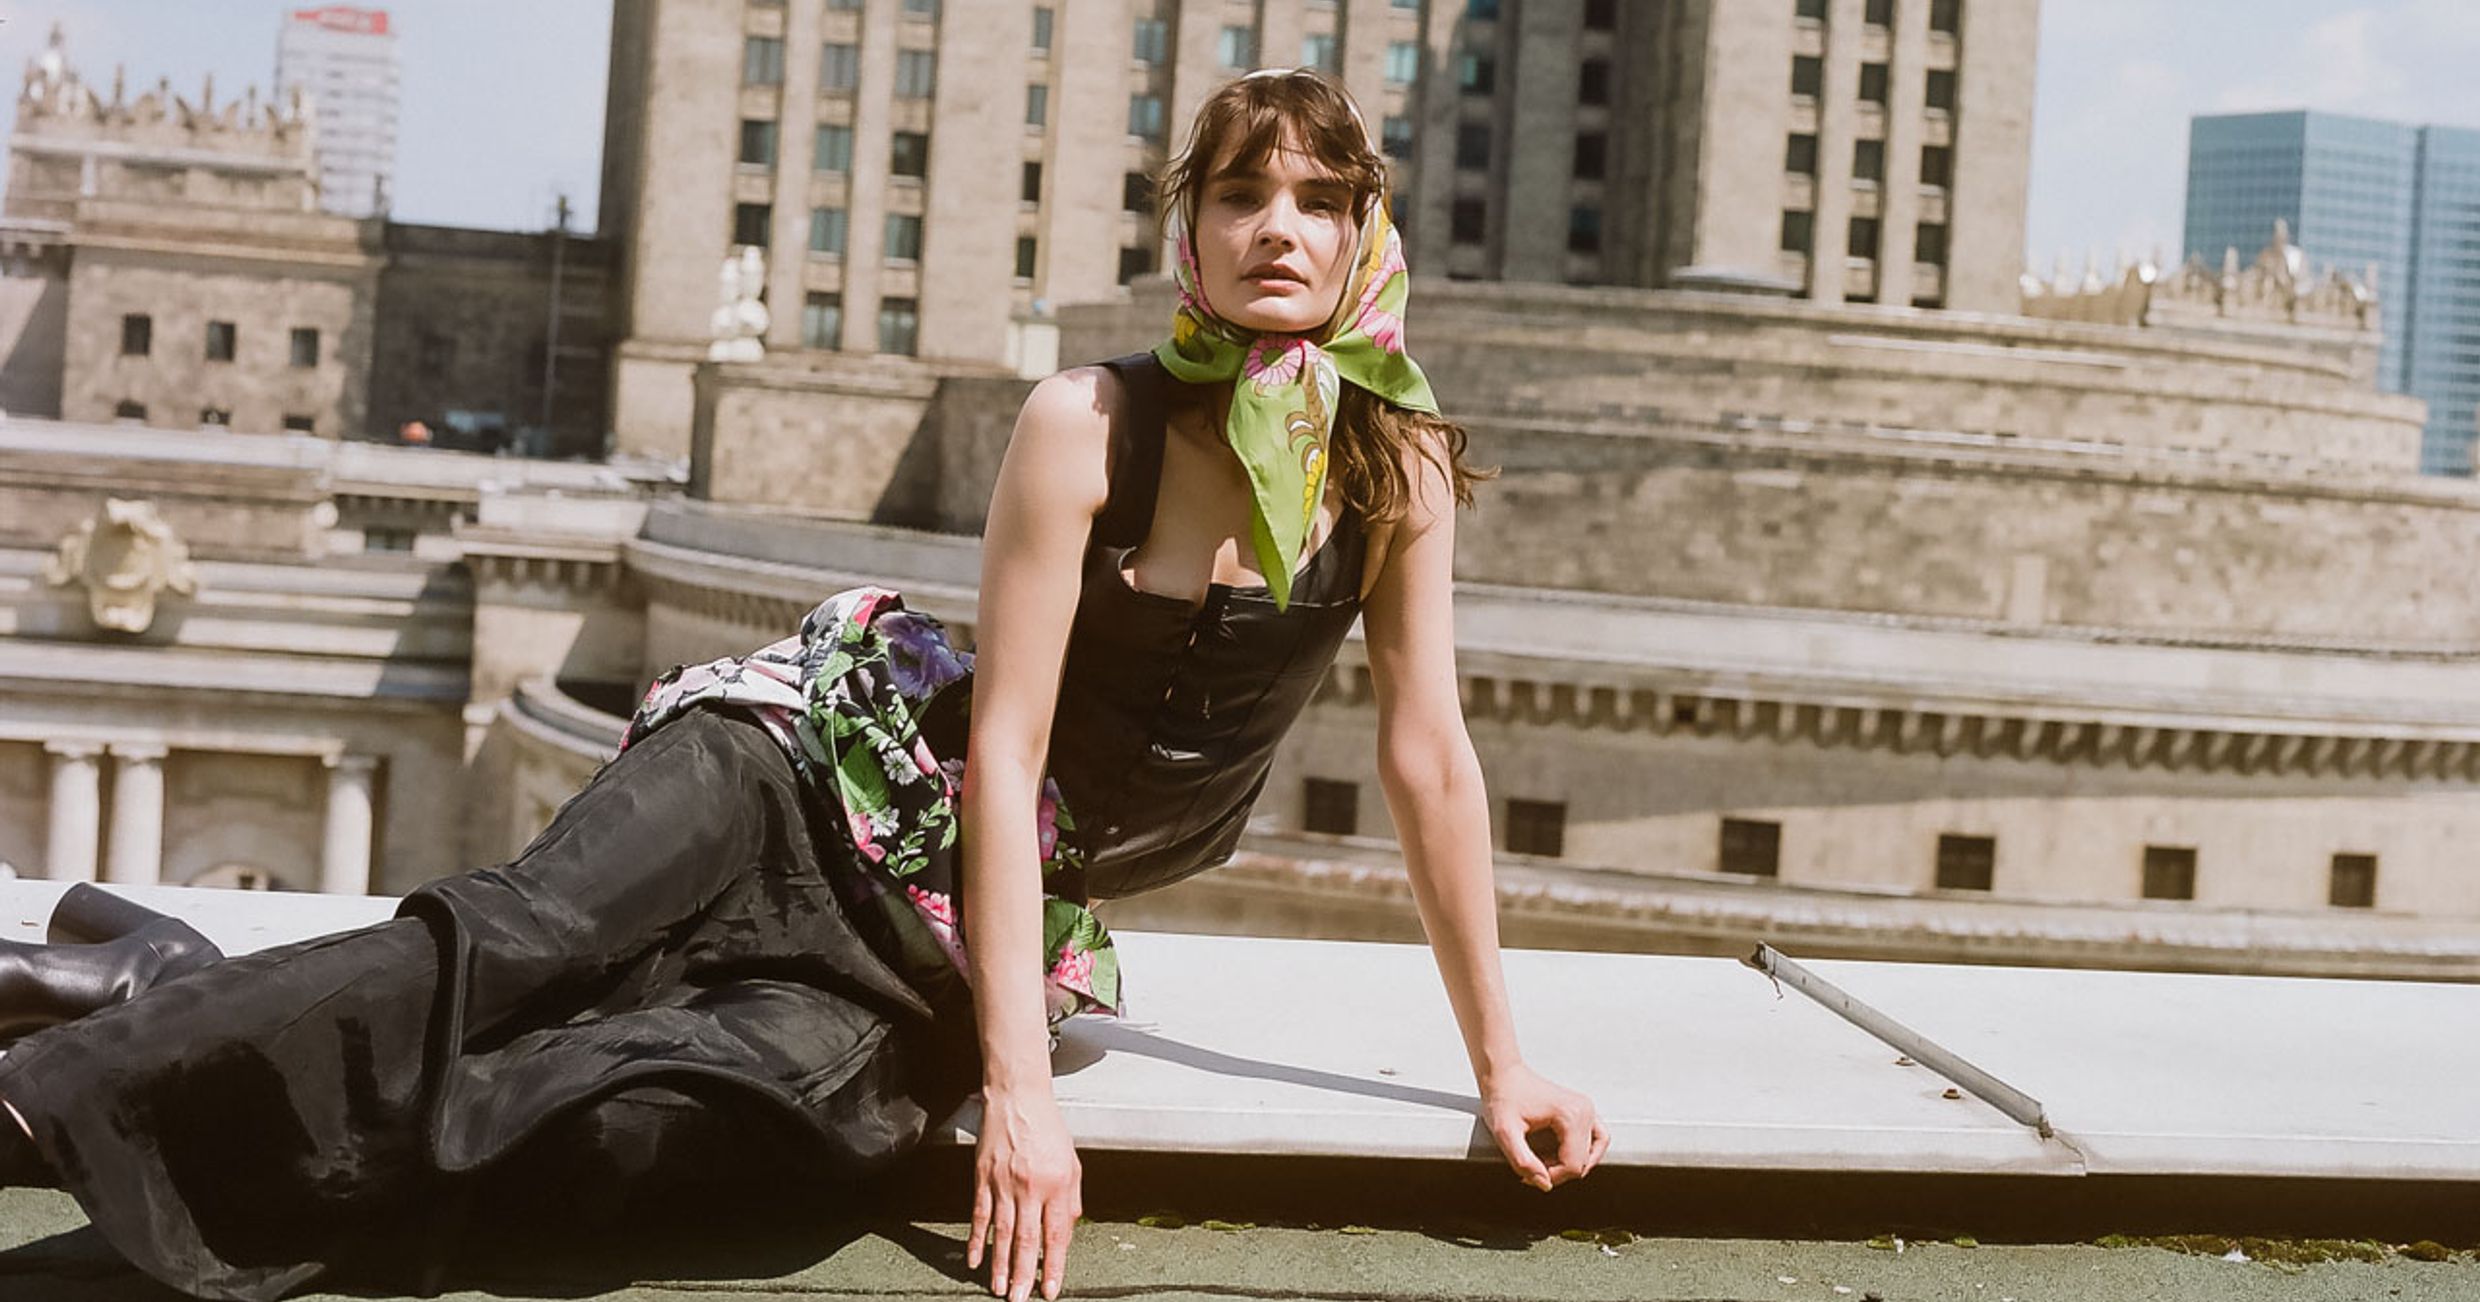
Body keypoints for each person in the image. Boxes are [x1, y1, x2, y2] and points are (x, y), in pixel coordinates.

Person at [0, 69, 1603, 1302]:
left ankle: (168, 991)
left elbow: (1431, 763)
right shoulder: (1087, 424)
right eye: (1243, 194)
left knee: (646, 1119)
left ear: (1363, 232)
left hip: (950, 919)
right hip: (803, 765)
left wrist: (1502, 1063)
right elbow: (1005, 748)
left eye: (1320, 199)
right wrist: (1022, 1090)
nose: (1280, 229)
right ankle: (60, 1097)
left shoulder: (1396, 470)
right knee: (526, 939)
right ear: (1189, 231)